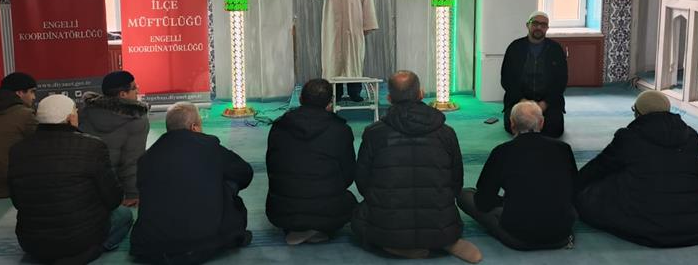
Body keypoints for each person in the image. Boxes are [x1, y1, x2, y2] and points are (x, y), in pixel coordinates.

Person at [351, 70, 481, 263]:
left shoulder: (374, 133)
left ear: (389, 98)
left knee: (357, 217)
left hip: (390, 224)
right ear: (421, 93)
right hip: (439, 222)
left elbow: (362, 181)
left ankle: (398, 245)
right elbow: (456, 182)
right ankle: (444, 241)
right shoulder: (446, 133)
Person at [576, 90, 698, 247]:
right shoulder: (692, 136)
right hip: (693, 225)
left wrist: (575, 185)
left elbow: (599, 167)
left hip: (646, 226)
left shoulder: (629, 137)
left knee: (590, 194)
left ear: (638, 113)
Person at [8, 94, 132, 264]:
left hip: (32, 244)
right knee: (124, 215)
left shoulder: (17, 150)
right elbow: (113, 199)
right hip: (80, 242)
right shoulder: (93, 146)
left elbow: (17, 201)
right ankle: (95, 250)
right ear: (70, 118)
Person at [130, 102, 253, 264]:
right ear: (194, 127)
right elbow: (245, 172)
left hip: (152, 246)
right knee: (228, 180)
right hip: (202, 243)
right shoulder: (209, 146)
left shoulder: (147, 157)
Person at [457, 101, 577, 250]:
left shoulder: (502, 152)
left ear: (512, 124)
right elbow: (574, 189)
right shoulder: (563, 148)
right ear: (542, 123)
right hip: (561, 234)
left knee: (465, 195)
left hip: (519, 237)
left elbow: (483, 201)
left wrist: (505, 201)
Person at [266, 78, 357, 245]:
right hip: (328, 209)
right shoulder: (341, 130)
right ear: (330, 103)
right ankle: (316, 228)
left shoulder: (280, 126)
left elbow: (272, 167)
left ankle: (302, 228)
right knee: (352, 203)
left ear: (301, 99)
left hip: (281, 211)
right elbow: (349, 175)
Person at [313, 0, 378, 102]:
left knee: (353, 58)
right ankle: (336, 94)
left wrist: (368, 24)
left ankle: (354, 92)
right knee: (333, 58)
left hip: (353, 23)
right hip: (332, 25)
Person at [79, 70, 149, 206]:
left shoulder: (85, 112)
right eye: (134, 87)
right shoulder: (136, 119)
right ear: (123, 94)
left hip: (83, 187)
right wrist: (133, 194)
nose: (138, 90)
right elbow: (131, 162)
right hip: (112, 191)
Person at [501, 11, 568, 137]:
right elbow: (507, 80)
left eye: (543, 25)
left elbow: (561, 82)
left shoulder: (556, 49)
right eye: (535, 23)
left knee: (554, 128)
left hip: (547, 102)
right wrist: (523, 101)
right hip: (520, 100)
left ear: (547, 28)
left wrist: (544, 104)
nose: (539, 27)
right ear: (528, 25)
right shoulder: (515, 48)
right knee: (512, 126)